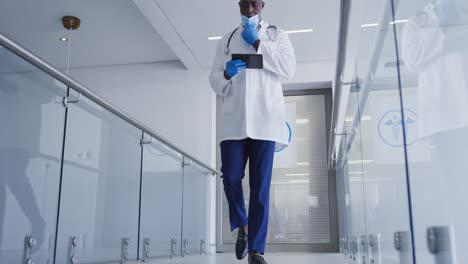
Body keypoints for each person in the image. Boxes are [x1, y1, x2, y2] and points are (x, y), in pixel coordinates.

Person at [209, 0, 296, 263]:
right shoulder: (226, 41)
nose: (249, 9)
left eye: (254, 4)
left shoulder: (277, 35)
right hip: (235, 122)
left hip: (265, 122)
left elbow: (288, 68)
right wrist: (225, 73)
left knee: (260, 187)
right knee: (231, 177)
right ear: (239, 4)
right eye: (244, 3)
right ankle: (244, 227)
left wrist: (258, 43)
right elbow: (214, 80)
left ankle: (256, 250)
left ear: (263, 4)